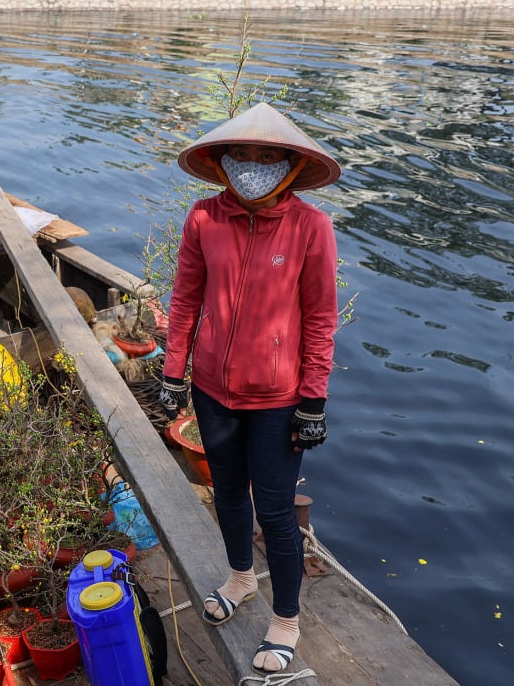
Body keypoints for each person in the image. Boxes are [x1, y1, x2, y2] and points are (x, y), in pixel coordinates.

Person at [158, 102, 341, 675]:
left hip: (279, 400)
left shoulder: (311, 227)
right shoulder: (203, 220)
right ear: (224, 159)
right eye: (243, 154)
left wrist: (313, 398)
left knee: (279, 511)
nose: (254, 165)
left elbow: (320, 318)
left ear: (289, 164)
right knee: (229, 493)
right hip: (214, 390)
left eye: (269, 155)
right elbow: (186, 301)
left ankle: (285, 618)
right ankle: (239, 577)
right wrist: (173, 373)